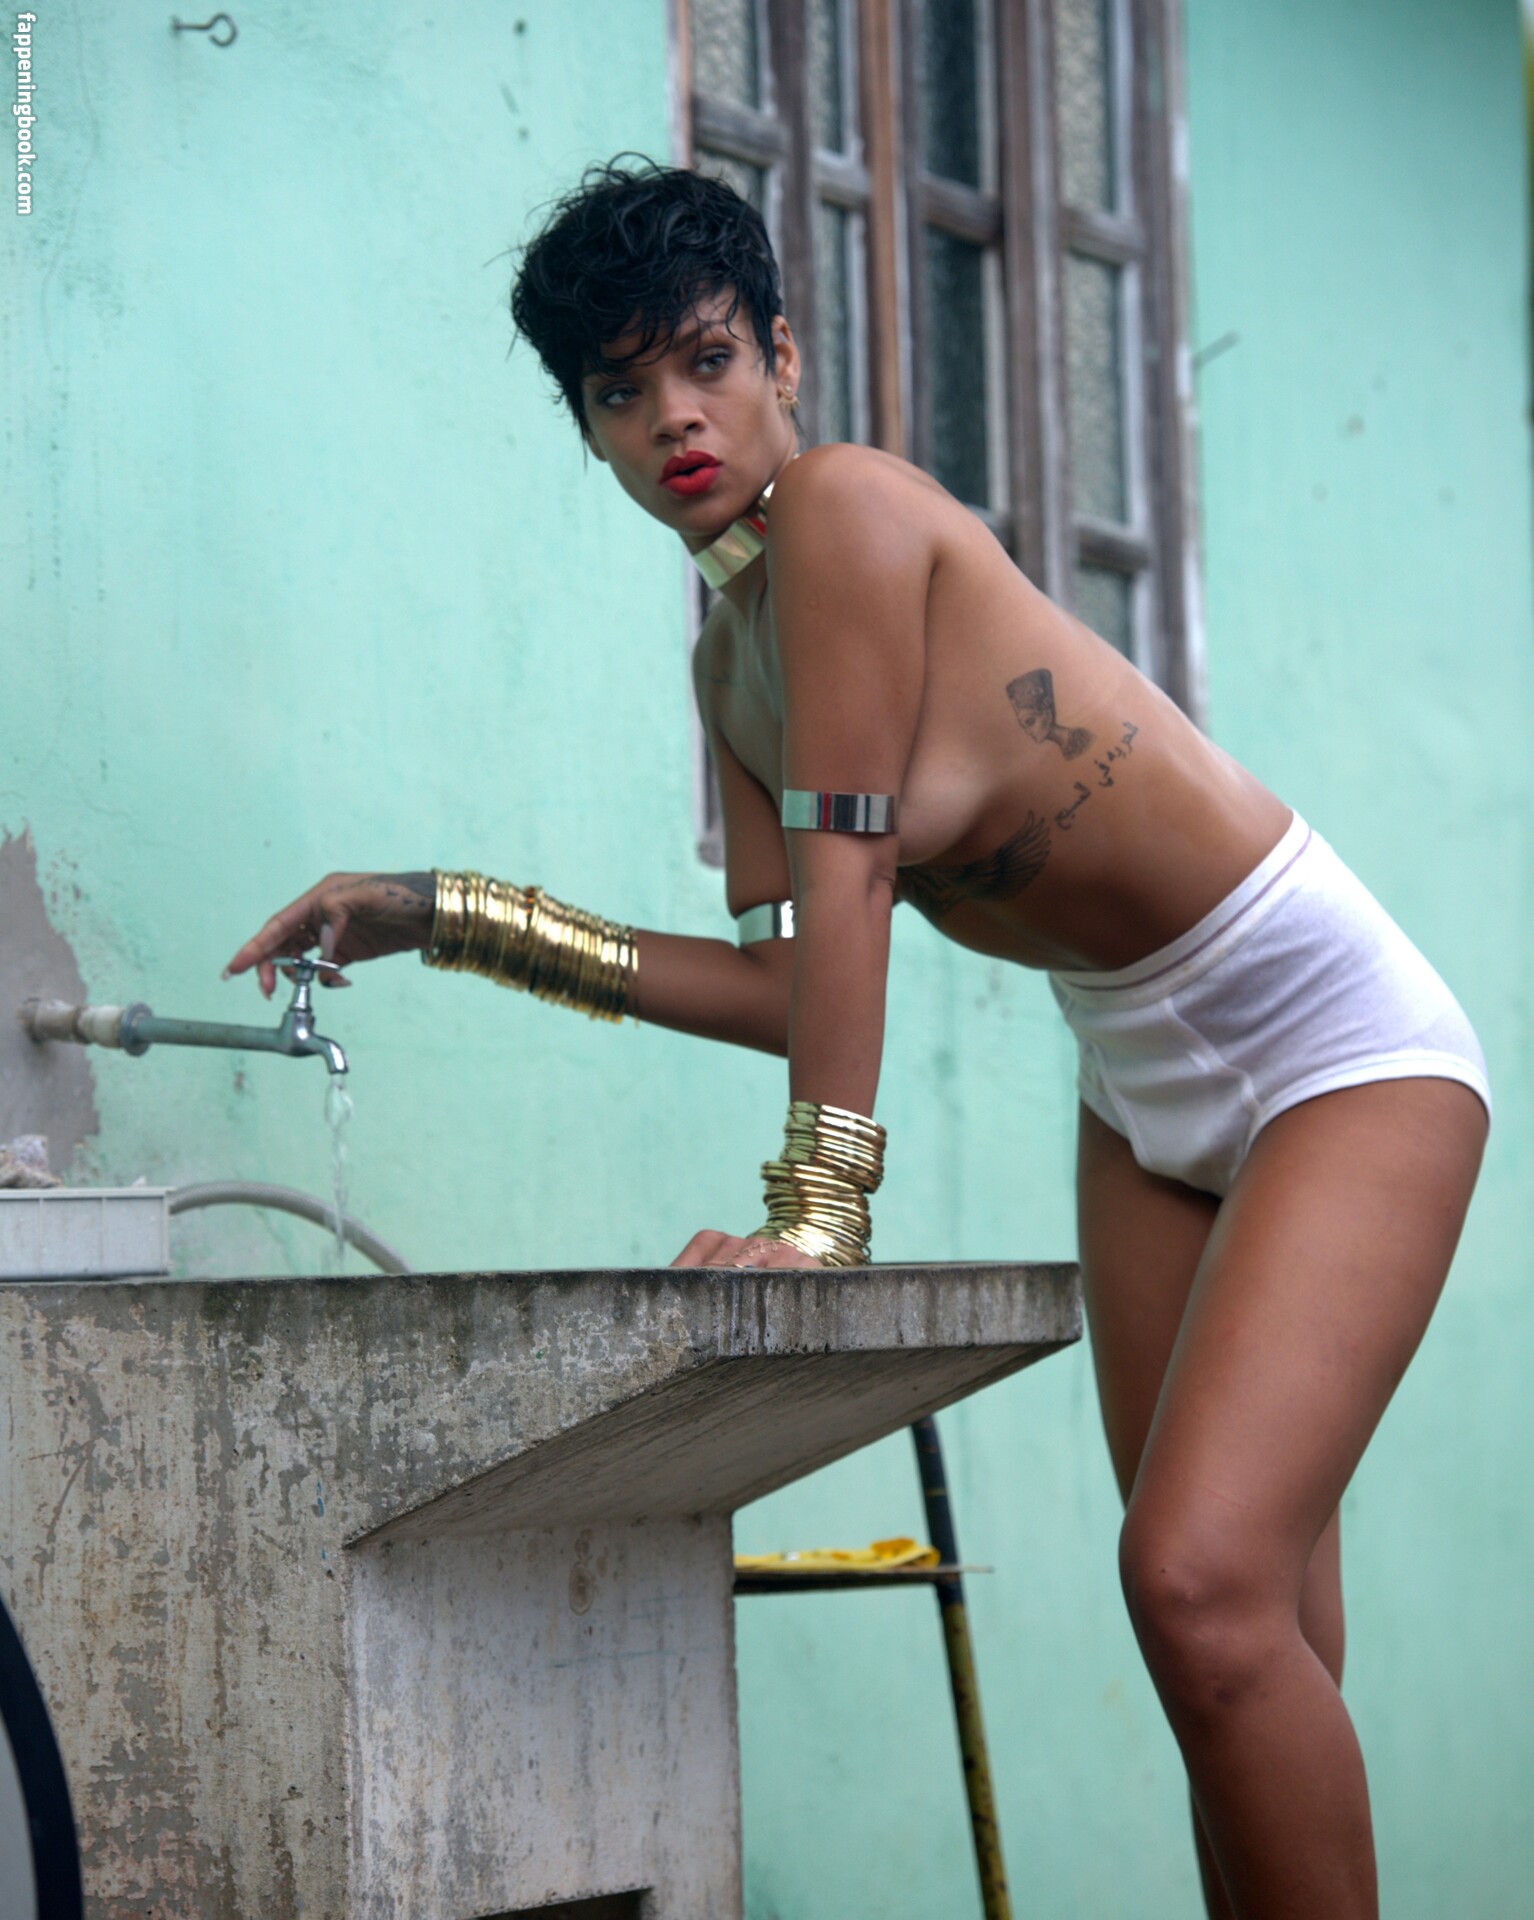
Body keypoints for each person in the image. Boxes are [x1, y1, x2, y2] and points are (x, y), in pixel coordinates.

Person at [224, 160, 1490, 1918]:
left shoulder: (844, 516)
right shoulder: (726, 667)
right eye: (619, 391)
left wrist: (818, 1218)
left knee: (1195, 1589)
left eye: (706, 361)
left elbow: (852, 884)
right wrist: (448, 914)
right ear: (585, 430)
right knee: (1237, 1643)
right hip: (1135, 1084)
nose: (673, 418)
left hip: (1329, 1038)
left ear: (783, 359)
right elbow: (793, 988)